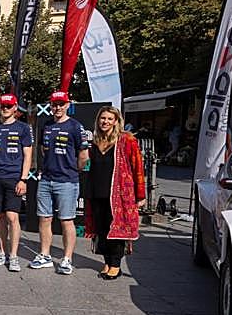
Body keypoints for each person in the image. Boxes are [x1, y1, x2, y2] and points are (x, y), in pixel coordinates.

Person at [31, 91, 90, 275]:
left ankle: (67, 259)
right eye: (54, 104)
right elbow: (42, 150)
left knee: (66, 221)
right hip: (46, 179)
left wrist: (74, 170)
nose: (57, 107)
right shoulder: (46, 125)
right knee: (44, 218)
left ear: (67, 105)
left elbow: (83, 156)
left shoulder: (75, 126)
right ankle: (45, 255)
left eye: (61, 104)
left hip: (67, 181)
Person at [85, 107, 146, 280]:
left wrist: (140, 195)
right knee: (101, 229)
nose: (105, 122)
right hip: (97, 191)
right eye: (102, 118)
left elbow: (138, 168)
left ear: (116, 121)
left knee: (116, 229)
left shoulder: (127, 140)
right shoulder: (95, 141)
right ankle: (107, 262)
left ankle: (116, 265)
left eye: (109, 119)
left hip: (119, 194)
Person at [0, 94, 33, 272]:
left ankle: (13, 256)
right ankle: (2, 253)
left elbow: (28, 155)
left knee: (13, 217)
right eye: (3, 106)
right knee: (0, 218)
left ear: (15, 108)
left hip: (14, 177)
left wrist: (23, 178)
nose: (5, 109)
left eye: (9, 106)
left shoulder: (22, 128)